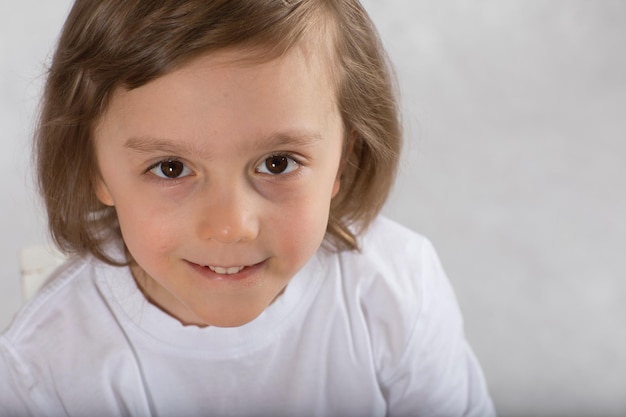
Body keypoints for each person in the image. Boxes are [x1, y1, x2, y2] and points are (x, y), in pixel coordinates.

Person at [0, 0, 495, 415]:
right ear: (95, 170)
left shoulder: (397, 292)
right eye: (171, 168)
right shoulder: (43, 368)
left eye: (278, 163)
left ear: (345, 158)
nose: (231, 227)